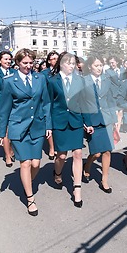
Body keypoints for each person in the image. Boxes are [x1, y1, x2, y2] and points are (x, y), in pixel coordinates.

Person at [0, 49, 52, 216]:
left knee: (36, 164)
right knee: (25, 163)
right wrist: (1, 133)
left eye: (30, 62)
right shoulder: (9, 81)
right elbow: (4, 109)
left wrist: (48, 125)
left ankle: (27, 180)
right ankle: (30, 198)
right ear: (17, 63)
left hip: (37, 126)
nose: (28, 66)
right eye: (24, 63)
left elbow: (46, 102)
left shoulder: (40, 78)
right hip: (18, 127)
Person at [48, 52, 91, 207]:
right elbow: (48, 104)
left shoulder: (80, 81)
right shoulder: (52, 81)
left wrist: (88, 122)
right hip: (59, 121)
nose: (71, 66)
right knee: (62, 156)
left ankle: (77, 189)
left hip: (76, 120)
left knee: (78, 153)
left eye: (73, 63)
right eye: (68, 63)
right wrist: (48, 126)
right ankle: (57, 172)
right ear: (61, 64)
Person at [82, 54, 116, 193]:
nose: (99, 68)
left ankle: (104, 180)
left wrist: (114, 119)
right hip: (92, 120)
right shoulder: (83, 81)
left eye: (101, 65)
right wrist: (85, 122)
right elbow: (82, 102)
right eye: (96, 65)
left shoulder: (106, 80)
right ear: (90, 67)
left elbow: (110, 100)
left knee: (107, 150)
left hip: (106, 119)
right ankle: (87, 166)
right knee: (96, 153)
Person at [40, 50, 59, 160]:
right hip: (48, 101)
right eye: (53, 59)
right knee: (49, 124)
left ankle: (58, 145)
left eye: (57, 58)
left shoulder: (62, 72)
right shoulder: (44, 73)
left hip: (59, 101)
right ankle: (51, 148)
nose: (56, 61)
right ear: (48, 61)